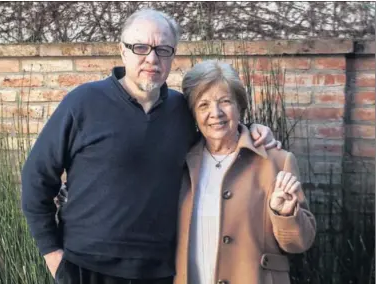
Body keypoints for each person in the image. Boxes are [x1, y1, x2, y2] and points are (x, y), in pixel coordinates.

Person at [21, 9, 280, 284]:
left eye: (163, 49)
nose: (152, 58)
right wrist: (51, 252)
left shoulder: (182, 110)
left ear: (172, 55)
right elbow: (36, 177)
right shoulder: (83, 102)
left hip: (160, 272)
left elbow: (218, 128)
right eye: (140, 47)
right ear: (122, 51)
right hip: (86, 268)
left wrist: (251, 130)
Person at [174, 60, 316, 284]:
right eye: (203, 105)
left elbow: (300, 243)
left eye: (225, 102)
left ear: (240, 105)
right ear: (193, 114)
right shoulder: (180, 163)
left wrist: (286, 214)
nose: (215, 113)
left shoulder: (276, 161)